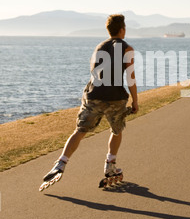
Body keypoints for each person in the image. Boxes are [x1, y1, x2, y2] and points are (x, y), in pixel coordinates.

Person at [40, 14, 138, 190]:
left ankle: (61, 162)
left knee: (80, 131)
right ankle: (110, 164)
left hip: (94, 95)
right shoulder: (127, 49)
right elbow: (131, 78)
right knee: (116, 131)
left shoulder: (99, 47)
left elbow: (93, 72)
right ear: (122, 29)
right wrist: (136, 101)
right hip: (115, 98)